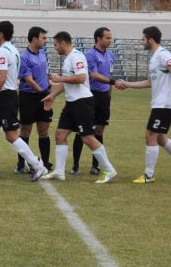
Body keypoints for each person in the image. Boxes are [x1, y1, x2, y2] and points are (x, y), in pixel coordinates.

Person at [0, 21, 48, 181]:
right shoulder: (12, 49)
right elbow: (6, 75)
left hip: (5, 97)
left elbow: (4, 77)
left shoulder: (2, 51)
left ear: (1, 34)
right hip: (6, 95)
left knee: (11, 135)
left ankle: (38, 166)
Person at [115, 26, 171, 184]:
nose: (141, 42)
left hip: (165, 104)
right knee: (160, 138)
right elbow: (150, 82)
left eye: (143, 39)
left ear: (150, 39)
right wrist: (127, 84)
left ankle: (149, 175)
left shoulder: (163, 54)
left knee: (150, 135)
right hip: (159, 103)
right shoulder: (154, 58)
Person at [41, 31, 117, 183]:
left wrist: (60, 78)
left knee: (87, 137)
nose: (55, 48)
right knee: (60, 135)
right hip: (71, 103)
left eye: (56, 45)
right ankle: (59, 171)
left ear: (63, 43)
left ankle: (109, 169)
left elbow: (82, 78)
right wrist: (52, 95)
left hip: (82, 102)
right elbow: (67, 81)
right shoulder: (69, 58)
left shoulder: (76, 56)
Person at [71, 27, 114, 175]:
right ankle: (75, 165)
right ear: (98, 39)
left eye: (110, 38)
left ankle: (95, 166)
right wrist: (112, 82)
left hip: (103, 98)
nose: (110, 40)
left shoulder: (110, 55)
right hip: (90, 95)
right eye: (107, 38)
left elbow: (108, 76)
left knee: (100, 130)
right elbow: (94, 75)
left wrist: (109, 95)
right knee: (82, 131)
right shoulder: (89, 55)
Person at [16, 26, 52, 173]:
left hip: (44, 95)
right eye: (43, 38)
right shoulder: (24, 57)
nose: (45, 41)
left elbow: (45, 74)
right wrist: (46, 94)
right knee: (25, 131)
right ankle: (21, 164)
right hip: (28, 97)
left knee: (44, 130)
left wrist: (48, 90)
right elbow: (29, 80)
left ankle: (45, 162)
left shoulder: (43, 53)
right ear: (34, 39)